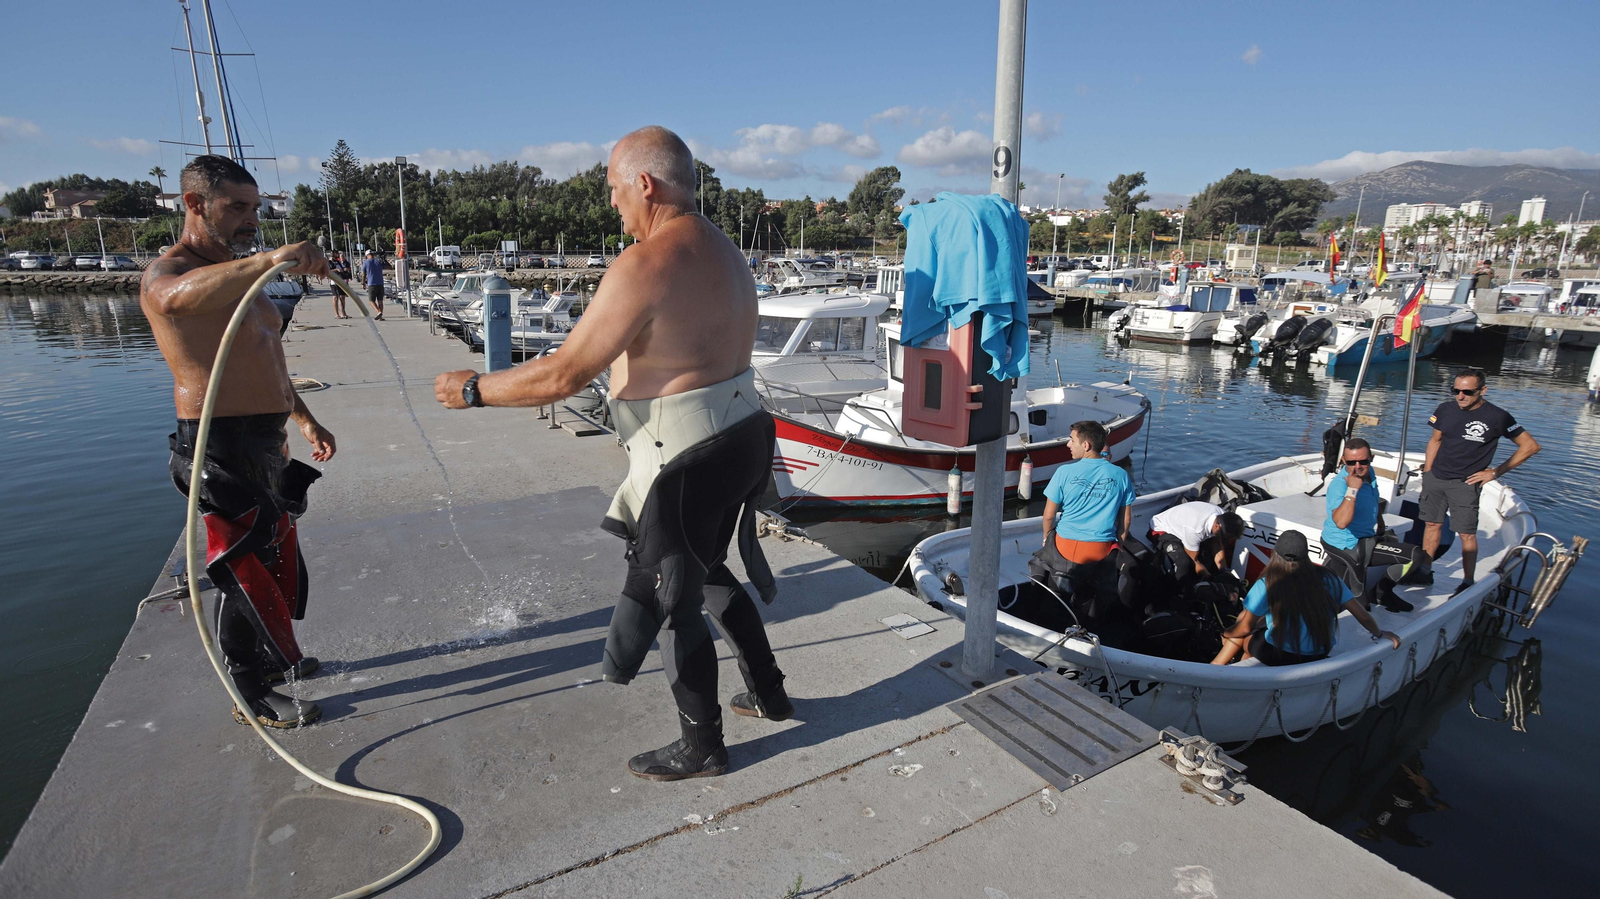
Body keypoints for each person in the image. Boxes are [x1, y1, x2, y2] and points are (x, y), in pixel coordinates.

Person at [433, 126, 786, 781]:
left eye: (616, 191)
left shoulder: (646, 263)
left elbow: (566, 373)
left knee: (674, 599)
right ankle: (770, 690)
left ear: (646, 185)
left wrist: (476, 388)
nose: (615, 206)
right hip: (743, 438)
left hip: (684, 459)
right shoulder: (727, 252)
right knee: (711, 571)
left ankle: (702, 744)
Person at [139, 154, 336, 728]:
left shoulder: (243, 275)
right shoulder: (170, 271)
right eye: (238, 208)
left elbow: (265, 361)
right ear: (195, 205)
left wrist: (303, 418)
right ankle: (248, 692)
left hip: (266, 438)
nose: (252, 219)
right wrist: (269, 259)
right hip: (216, 445)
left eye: (257, 207)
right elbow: (174, 298)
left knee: (278, 558)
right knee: (242, 567)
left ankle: (272, 665)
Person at [1420, 369, 1540, 593]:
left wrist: (1495, 472)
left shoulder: (1498, 416)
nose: (1460, 396)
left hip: (1465, 484)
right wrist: (1428, 473)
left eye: (1467, 391)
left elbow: (1530, 446)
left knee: (1466, 533)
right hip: (1436, 478)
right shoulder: (1444, 409)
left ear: (1482, 390)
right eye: (1456, 390)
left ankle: (1467, 581)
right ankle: (1425, 571)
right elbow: (1434, 441)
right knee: (1432, 524)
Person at [1212, 531, 1399, 666]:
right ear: (1306, 554)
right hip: (1319, 653)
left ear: (1275, 554)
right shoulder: (1330, 578)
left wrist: (1225, 633)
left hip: (1280, 655)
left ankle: (1218, 668)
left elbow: (1245, 627)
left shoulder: (1267, 583)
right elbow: (1363, 615)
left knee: (1243, 631)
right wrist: (1381, 634)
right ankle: (1233, 670)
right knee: (1256, 626)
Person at [1320, 437, 1430, 613]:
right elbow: (1341, 522)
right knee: (1361, 606)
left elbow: (1374, 501)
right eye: (1351, 462)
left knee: (1416, 555)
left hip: (1365, 539)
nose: (1357, 466)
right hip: (1345, 544)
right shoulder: (1340, 486)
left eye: (1363, 461)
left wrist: (1380, 525)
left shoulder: (1369, 474)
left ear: (1371, 458)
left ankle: (1381, 593)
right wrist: (1352, 490)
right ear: (1343, 461)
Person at [1147, 501, 1244, 595]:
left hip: (1187, 524)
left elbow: (1217, 544)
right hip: (1161, 529)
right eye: (1224, 536)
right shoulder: (1195, 530)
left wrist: (1225, 571)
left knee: (1208, 558)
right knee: (1184, 562)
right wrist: (1211, 581)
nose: (1224, 539)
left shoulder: (1222, 515)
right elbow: (1194, 560)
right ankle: (1181, 594)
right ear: (1217, 526)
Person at [361, 249, 385, 320]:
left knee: (371, 300)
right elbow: (388, 266)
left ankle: (378, 312)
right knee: (380, 301)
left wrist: (363, 283)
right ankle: (380, 317)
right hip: (380, 283)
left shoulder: (366, 262)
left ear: (367, 256)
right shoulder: (378, 261)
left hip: (371, 283)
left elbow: (363, 274)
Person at [330, 253, 352, 319]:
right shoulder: (330, 263)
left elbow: (344, 269)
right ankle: (336, 314)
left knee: (342, 297)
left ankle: (343, 313)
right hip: (334, 281)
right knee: (335, 297)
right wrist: (336, 270)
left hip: (341, 281)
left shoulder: (340, 263)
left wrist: (345, 270)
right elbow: (328, 271)